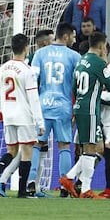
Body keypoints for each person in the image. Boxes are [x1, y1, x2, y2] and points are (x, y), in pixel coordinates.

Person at [28, 22, 81, 197]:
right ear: (65, 36)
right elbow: (79, 84)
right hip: (63, 107)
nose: (74, 39)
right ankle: (65, 187)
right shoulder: (74, 56)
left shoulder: (40, 53)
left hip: (43, 105)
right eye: (73, 36)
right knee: (64, 145)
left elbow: (32, 80)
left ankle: (30, 182)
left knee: (37, 143)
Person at [0, 33, 45, 198]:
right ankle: (22, 191)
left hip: (8, 116)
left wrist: (4, 110)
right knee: (27, 152)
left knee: (11, 151)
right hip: (24, 115)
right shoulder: (27, 71)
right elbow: (34, 99)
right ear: (26, 48)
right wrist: (40, 122)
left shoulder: (2, 68)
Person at [60, 31, 110, 199]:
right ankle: (86, 189)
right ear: (103, 46)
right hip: (89, 110)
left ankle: (69, 178)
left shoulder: (81, 60)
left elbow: (74, 87)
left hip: (81, 107)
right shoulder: (98, 63)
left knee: (97, 147)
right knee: (90, 148)